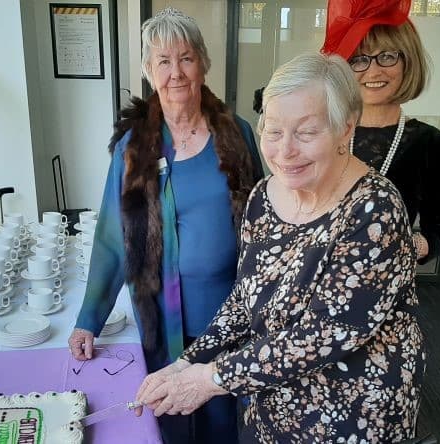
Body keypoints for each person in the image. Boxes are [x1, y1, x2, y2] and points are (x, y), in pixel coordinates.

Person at [135, 52, 425, 443]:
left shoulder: (375, 209)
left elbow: (324, 333)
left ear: (345, 129)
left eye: (306, 133)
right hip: (272, 402)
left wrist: (212, 378)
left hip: (352, 416)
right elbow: (245, 297)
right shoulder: (264, 196)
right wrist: (189, 360)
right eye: (272, 131)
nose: (284, 151)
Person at [67, 7, 263, 443]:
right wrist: (88, 319)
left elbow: (265, 222)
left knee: (222, 423)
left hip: (228, 316)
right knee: (168, 418)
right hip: (163, 315)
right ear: (148, 71)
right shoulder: (134, 147)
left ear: (203, 64)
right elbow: (113, 237)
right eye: (163, 61)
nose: (176, 72)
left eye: (186, 57)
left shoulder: (238, 134)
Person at [321, 0, 440, 264]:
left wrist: (408, 247)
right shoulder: (325, 132)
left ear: (408, 61)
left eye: (387, 56)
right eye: (359, 59)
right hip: (318, 280)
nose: (373, 70)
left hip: (386, 285)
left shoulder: (428, 141)